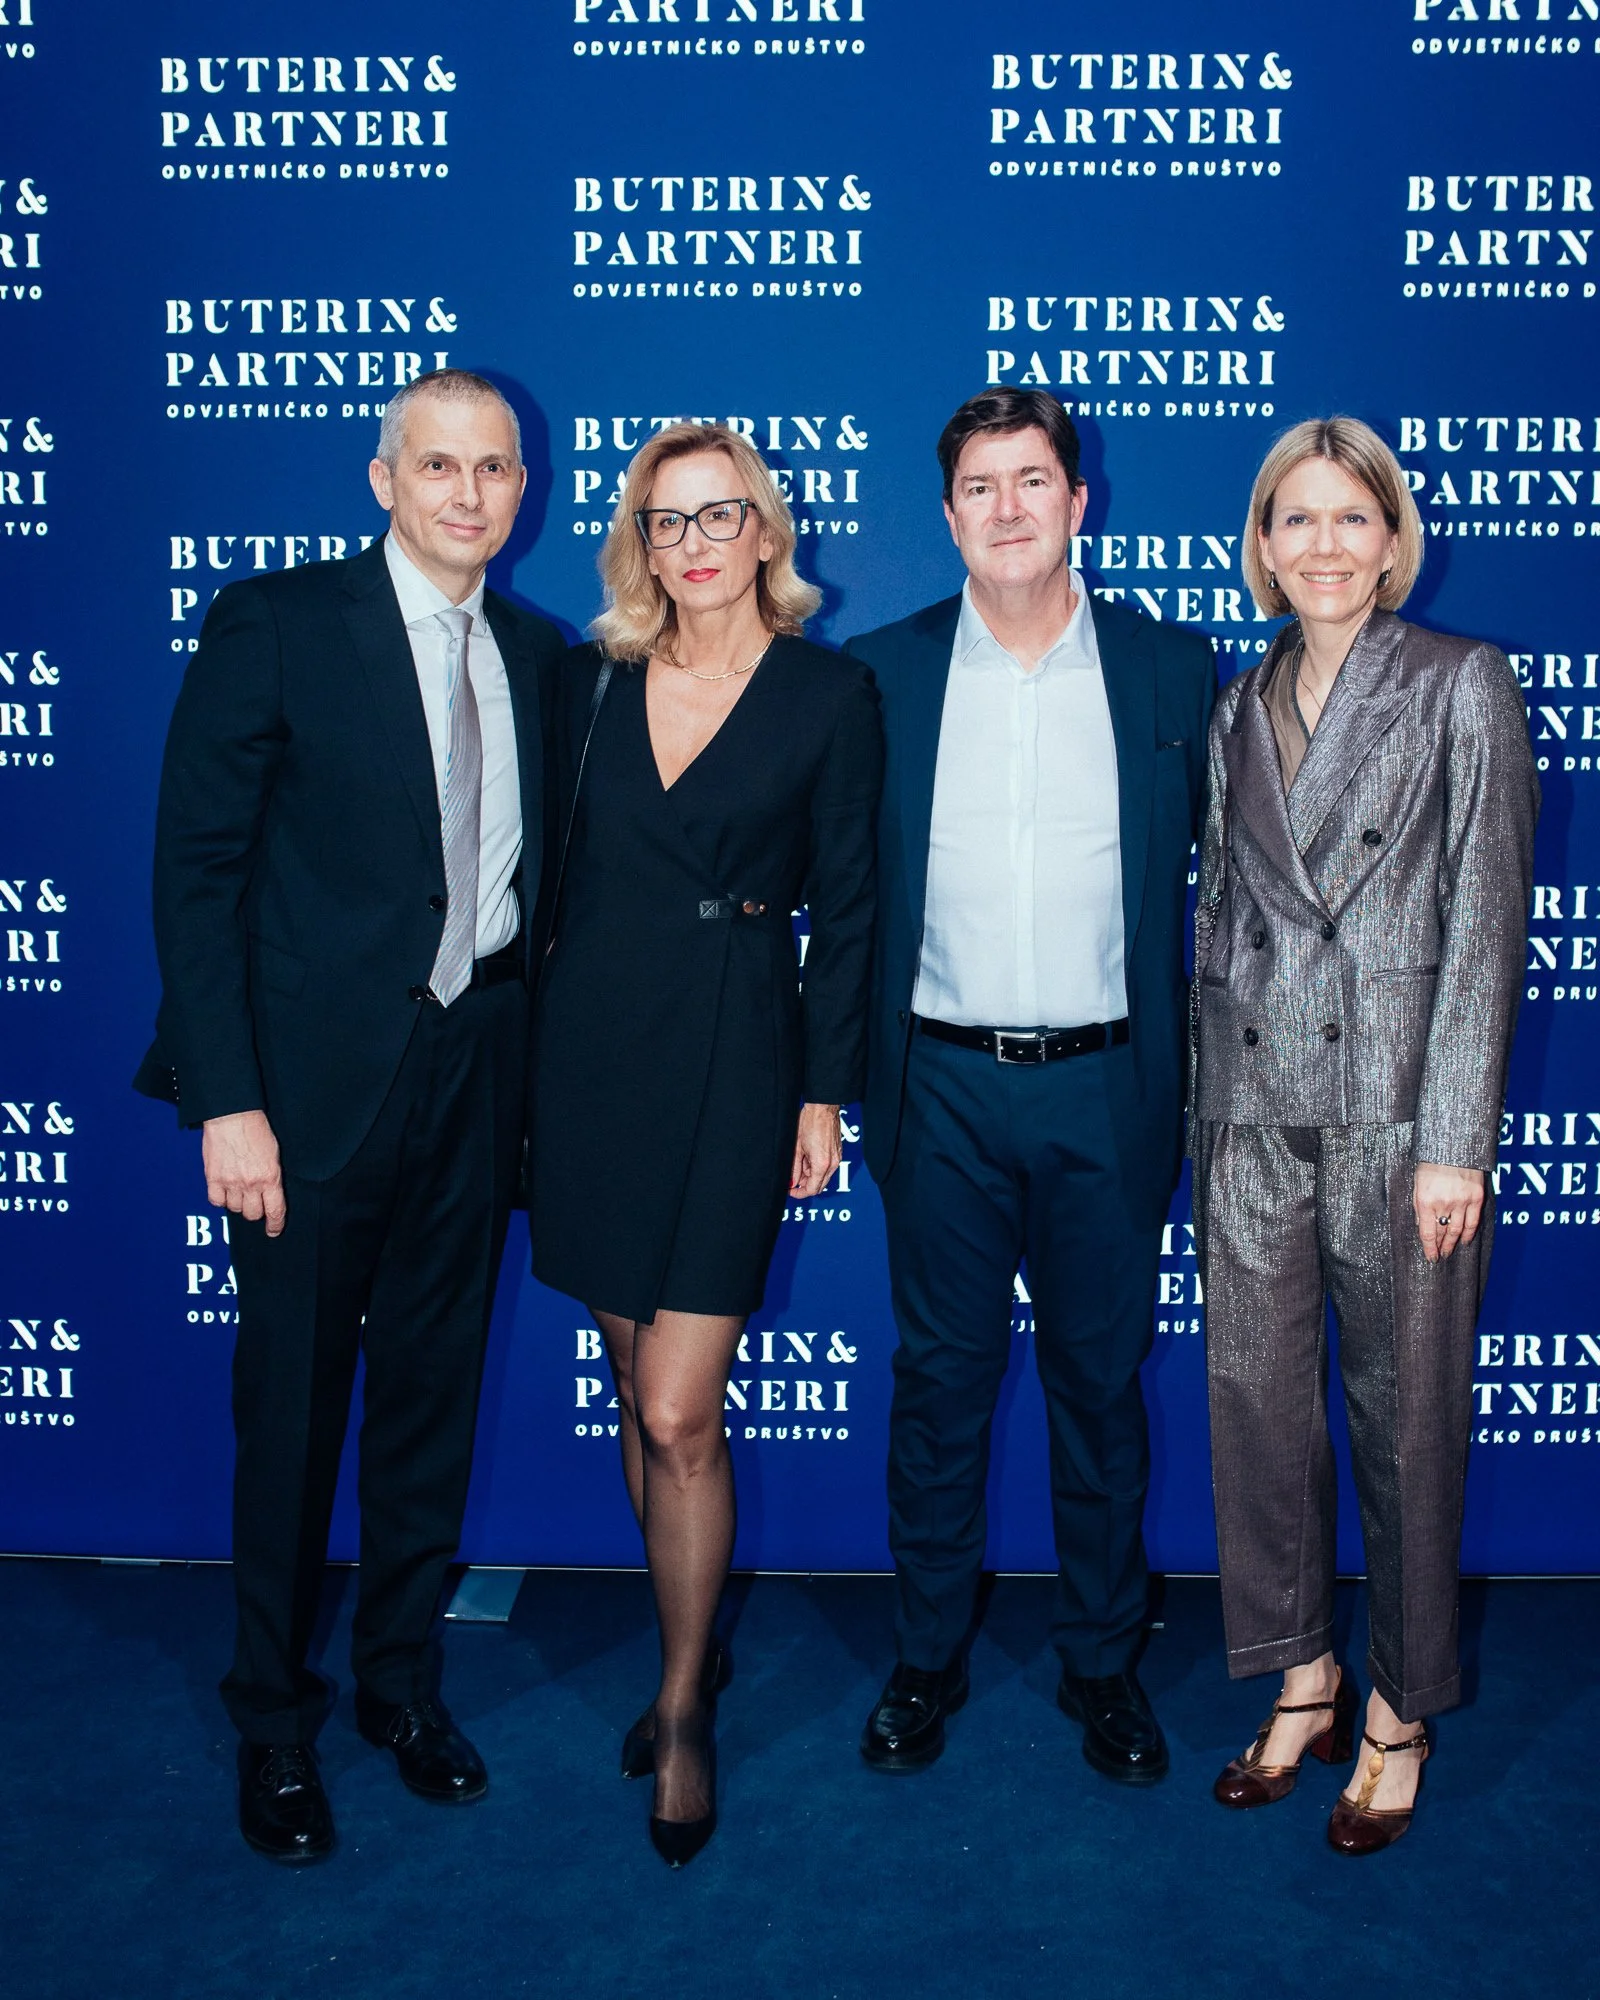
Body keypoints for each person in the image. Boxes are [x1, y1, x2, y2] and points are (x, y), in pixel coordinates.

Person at [135, 370, 563, 1864]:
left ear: (522, 489)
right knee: (293, 1414)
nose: (466, 493)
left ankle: (400, 1687)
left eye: (492, 468)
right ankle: (273, 1718)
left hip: (476, 1073)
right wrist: (227, 1100)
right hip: (306, 1097)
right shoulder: (277, 623)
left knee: (432, 1402)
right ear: (383, 480)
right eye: (436, 465)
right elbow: (196, 873)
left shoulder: (537, 653)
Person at [846, 388, 1215, 1783]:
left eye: (1032, 479)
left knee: (1099, 1388)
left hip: (1107, 1089)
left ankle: (1103, 1661)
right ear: (948, 517)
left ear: (1078, 500)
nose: (1008, 508)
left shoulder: (1172, 670)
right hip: (938, 1085)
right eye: (980, 487)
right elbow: (843, 900)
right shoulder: (879, 676)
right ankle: (925, 1653)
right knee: (938, 1385)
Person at [530, 421, 882, 1866]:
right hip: (589, 1055)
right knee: (634, 1387)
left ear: (766, 531)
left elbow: (850, 907)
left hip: (740, 1050)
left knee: (681, 1411)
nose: (693, 544)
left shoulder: (830, 692)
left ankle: (682, 1708)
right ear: (639, 541)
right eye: (665, 521)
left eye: (718, 515)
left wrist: (823, 1093)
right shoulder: (587, 683)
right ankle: (690, 1642)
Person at [1193, 417, 1537, 1854]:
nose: (1324, 545)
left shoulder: (1463, 683)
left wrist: (1456, 1139)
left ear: (1392, 540)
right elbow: (1222, 913)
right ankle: (1304, 1678)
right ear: (1264, 546)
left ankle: (1400, 1703)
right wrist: (1206, 1117)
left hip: (1401, 1119)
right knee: (1259, 1414)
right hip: (1252, 1113)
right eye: (1298, 519)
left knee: (1406, 1422)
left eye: (1352, 518)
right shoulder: (1237, 703)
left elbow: (1487, 924)